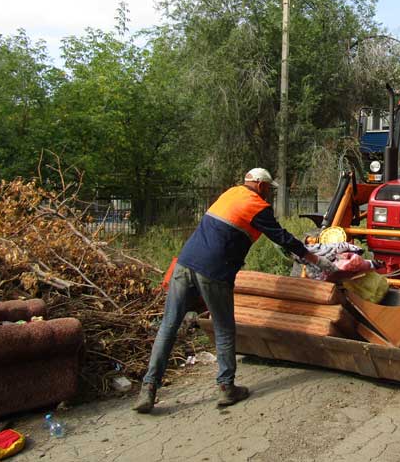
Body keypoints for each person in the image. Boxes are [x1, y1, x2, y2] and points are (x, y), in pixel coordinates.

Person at [133, 168, 335, 413]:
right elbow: (281, 237)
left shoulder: (229, 194)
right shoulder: (256, 205)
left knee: (168, 326)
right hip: (214, 271)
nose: (269, 194)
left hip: (184, 264)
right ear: (260, 186)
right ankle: (227, 387)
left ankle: (148, 389)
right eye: (269, 189)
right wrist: (316, 260)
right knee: (224, 329)